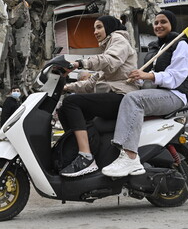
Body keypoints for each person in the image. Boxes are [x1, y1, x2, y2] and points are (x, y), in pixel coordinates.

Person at [102, 10, 188, 177]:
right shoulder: (155, 48)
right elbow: (147, 76)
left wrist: (148, 76)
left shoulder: (181, 44)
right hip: (154, 93)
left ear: (172, 24)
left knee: (133, 100)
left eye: (163, 22)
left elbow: (176, 77)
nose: (158, 26)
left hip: (174, 95)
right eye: (156, 23)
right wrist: (135, 78)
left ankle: (130, 157)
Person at [58, 15, 139, 177]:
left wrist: (80, 63)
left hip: (122, 97)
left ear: (110, 27)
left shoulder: (119, 40)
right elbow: (90, 84)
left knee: (71, 103)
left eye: (99, 27)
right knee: (63, 109)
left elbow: (110, 61)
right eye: (94, 28)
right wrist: (64, 87)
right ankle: (86, 149)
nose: (95, 32)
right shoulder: (108, 47)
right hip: (112, 95)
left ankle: (86, 157)